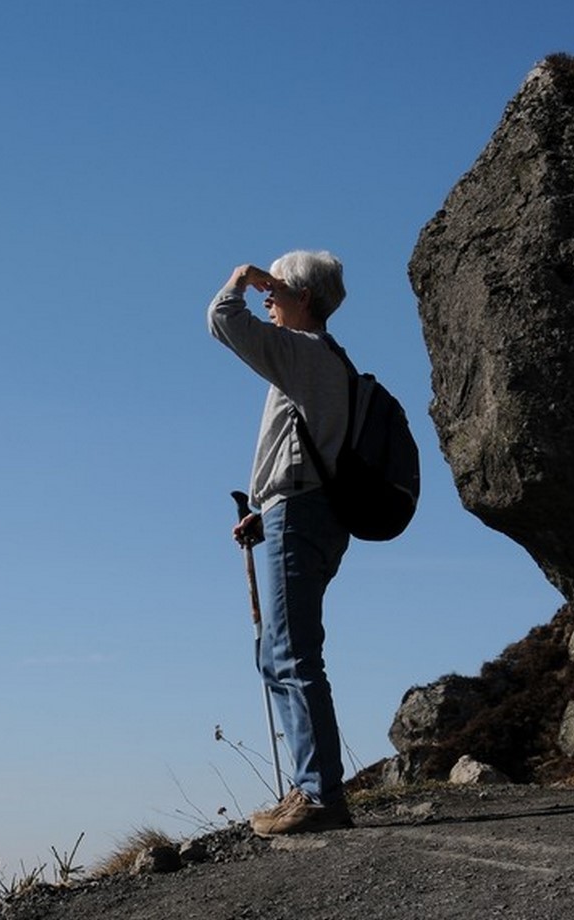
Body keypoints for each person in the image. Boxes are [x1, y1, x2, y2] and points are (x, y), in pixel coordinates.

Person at [207, 250, 354, 835]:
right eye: (263, 286)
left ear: (305, 299)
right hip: (301, 512)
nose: (266, 296)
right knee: (279, 653)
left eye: (276, 287)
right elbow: (301, 450)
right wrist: (264, 509)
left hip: (301, 514)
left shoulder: (306, 352)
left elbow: (223, 319)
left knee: (292, 654)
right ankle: (308, 788)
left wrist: (240, 276)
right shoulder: (323, 360)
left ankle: (319, 796)